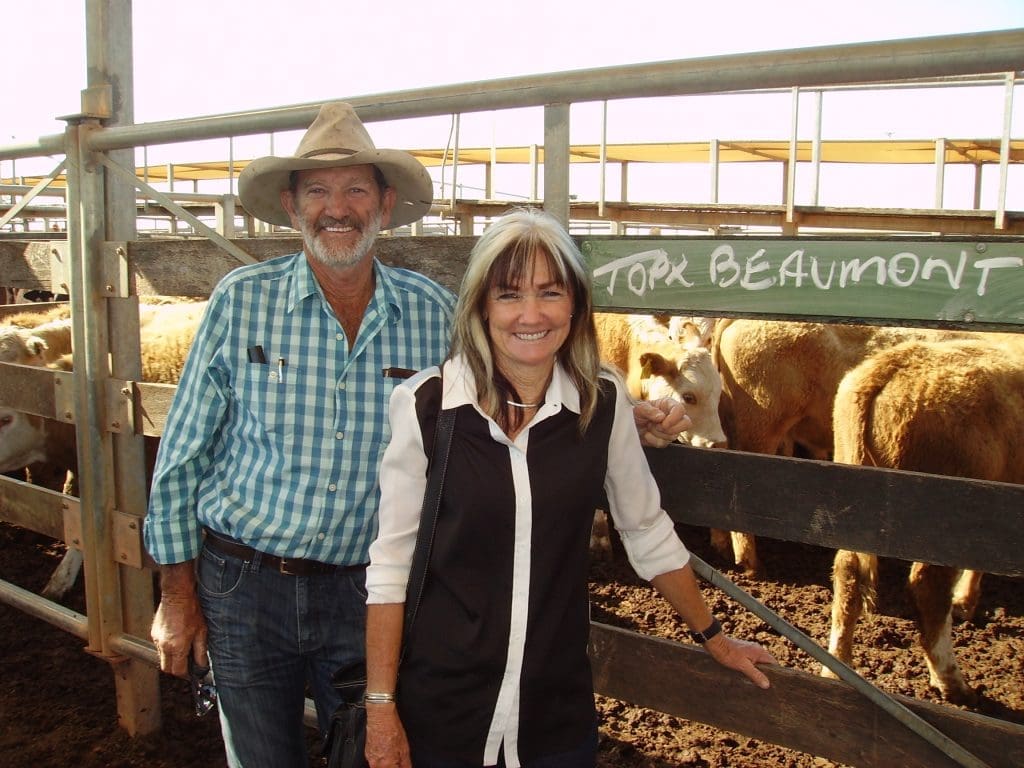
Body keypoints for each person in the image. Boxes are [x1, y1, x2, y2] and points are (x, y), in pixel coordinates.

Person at [143, 103, 690, 768]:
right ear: (291, 206)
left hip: (368, 592)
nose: (335, 208)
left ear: (384, 203)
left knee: (375, 751)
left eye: (355, 190)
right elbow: (183, 454)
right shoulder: (241, 300)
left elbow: (514, 373)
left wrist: (612, 418)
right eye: (317, 190)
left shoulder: (430, 312)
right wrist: (177, 597)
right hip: (246, 585)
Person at [364, 208, 778, 768]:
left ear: (576, 304)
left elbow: (646, 531)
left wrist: (714, 636)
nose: (530, 314)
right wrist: (382, 710)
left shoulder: (600, 402)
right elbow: (391, 568)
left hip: (553, 713)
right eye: (509, 294)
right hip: (441, 713)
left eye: (550, 293)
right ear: (481, 306)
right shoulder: (427, 406)